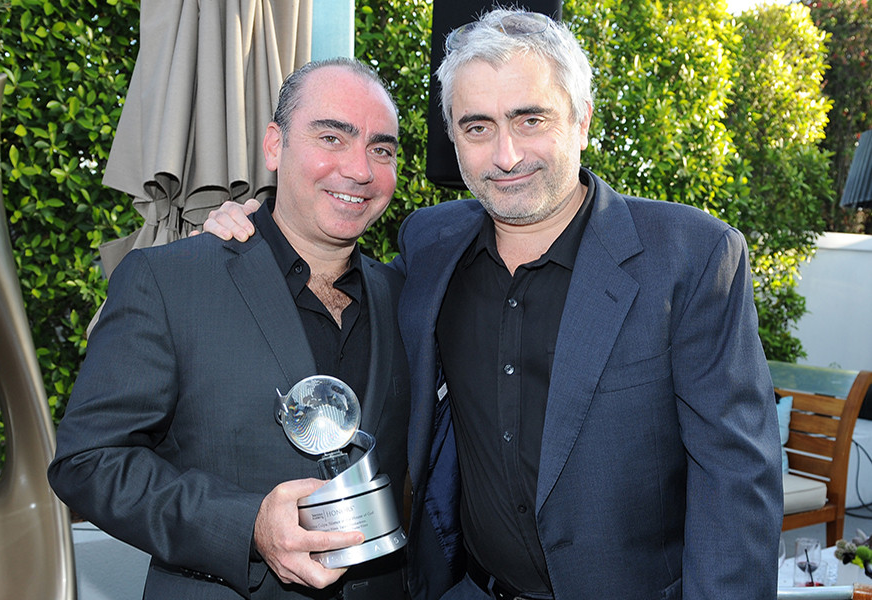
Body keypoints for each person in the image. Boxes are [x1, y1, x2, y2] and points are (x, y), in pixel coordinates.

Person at [202, 9, 783, 600]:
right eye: (477, 127)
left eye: (530, 120)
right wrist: (257, 229)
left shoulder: (691, 257)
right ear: (452, 136)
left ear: (581, 120)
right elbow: (333, 282)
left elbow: (737, 479)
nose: (506, 155)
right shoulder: (430, 248)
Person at [47, 58, 411, 600]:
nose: (359, 168)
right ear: (274, 145)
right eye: (331, 136)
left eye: (381, 148)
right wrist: (249, 525)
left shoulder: (406, 296)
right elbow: (87, 462)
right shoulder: (169, 281)